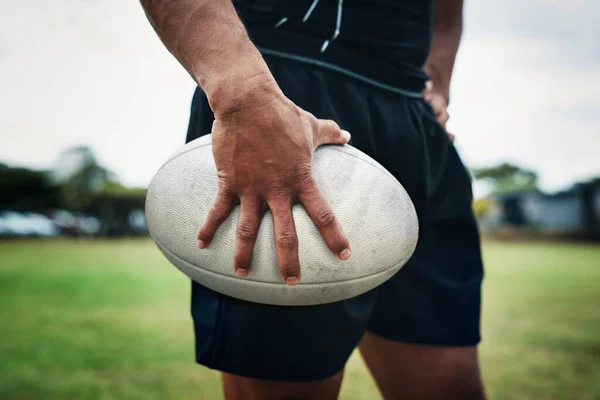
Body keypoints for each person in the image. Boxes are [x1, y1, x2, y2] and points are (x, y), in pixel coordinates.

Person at [140, 0, 486, 399]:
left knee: (451, 385)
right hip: (279, 95)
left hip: (412, 117)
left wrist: (438, 80)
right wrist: (243, 95)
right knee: (286, 387)